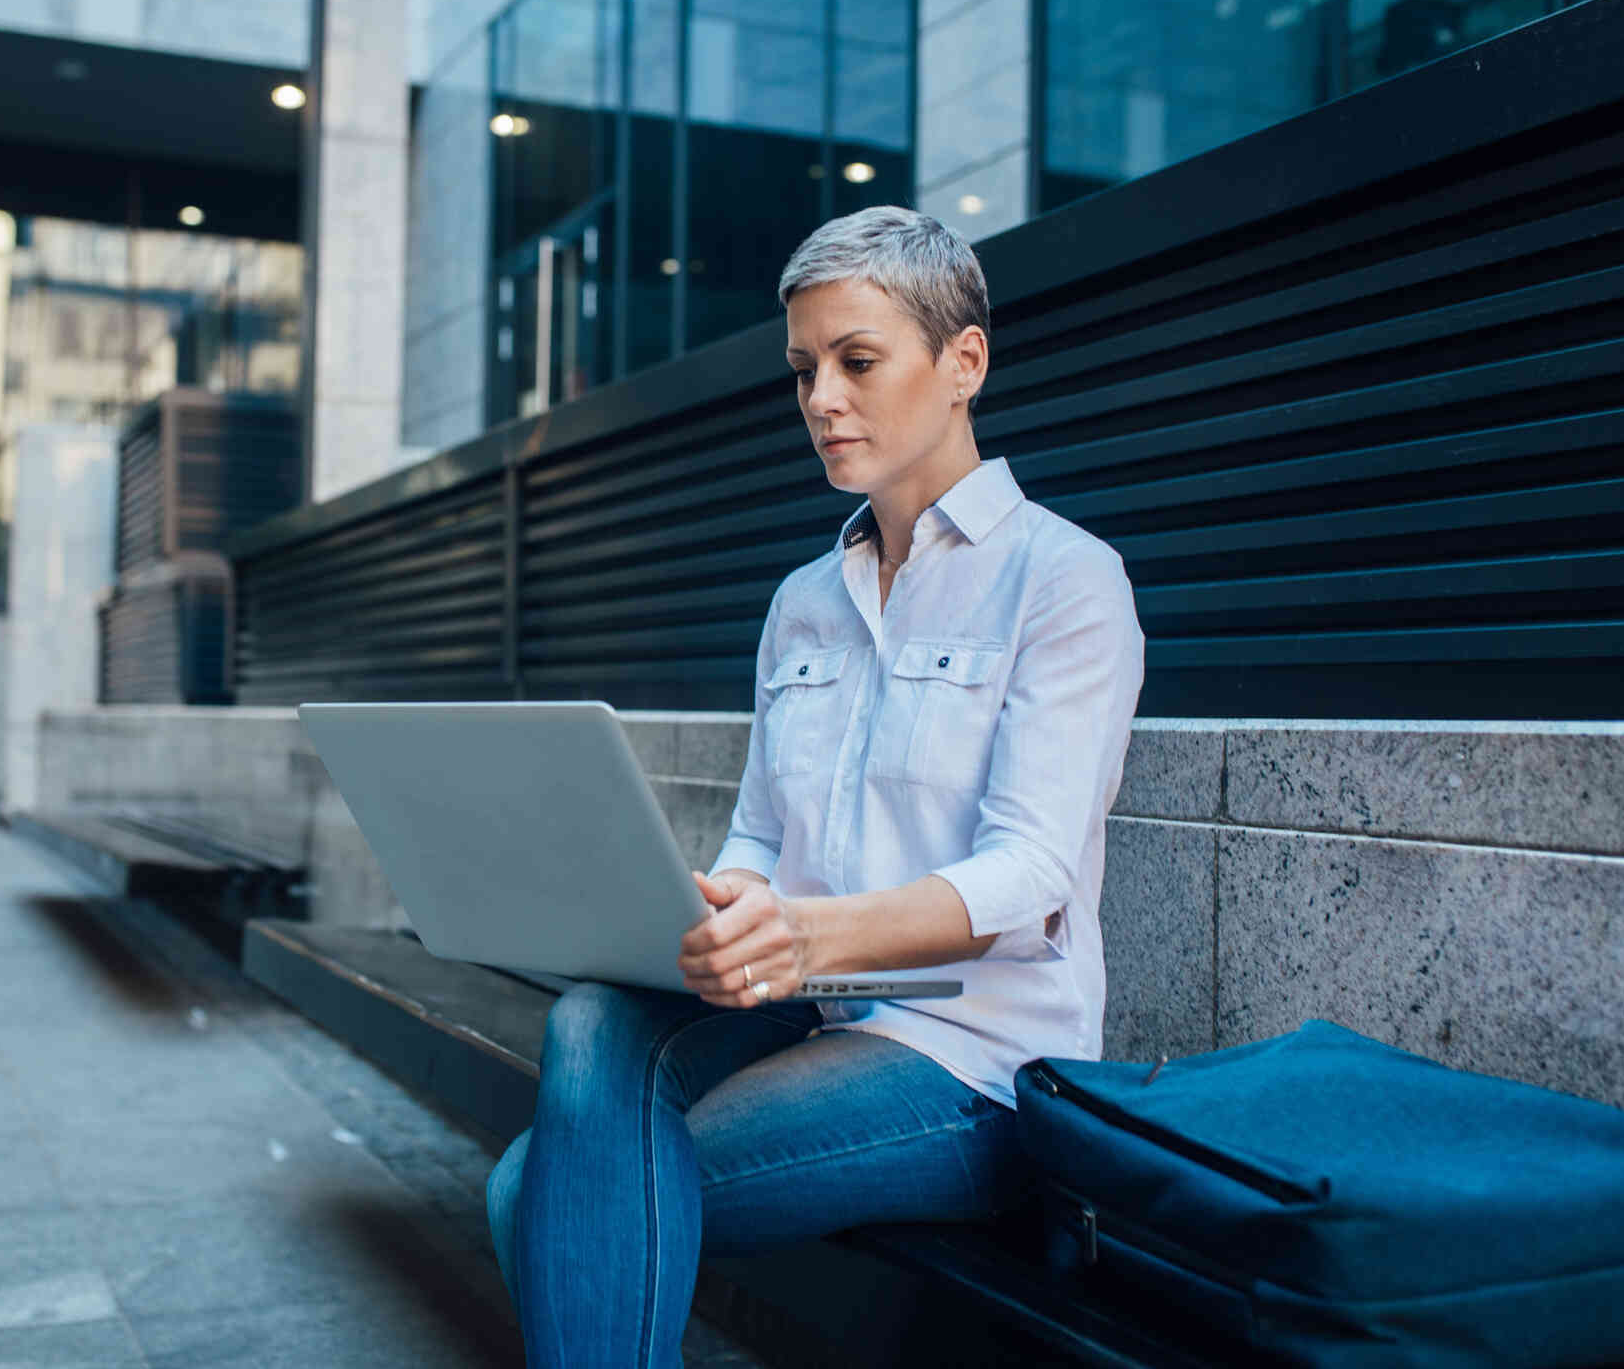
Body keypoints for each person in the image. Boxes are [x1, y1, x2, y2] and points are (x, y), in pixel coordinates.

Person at [485, 205, 1146, 1368]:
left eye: (856, 361)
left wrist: (804, 929)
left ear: (963, 363)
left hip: (977, 1061)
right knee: (587, 1023)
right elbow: (759, 828)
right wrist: (721, 909)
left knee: (544, 1192)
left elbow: (1034, 874)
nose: (821, 400)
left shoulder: (1066, 578)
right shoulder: (802, 598)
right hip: (811, 1008)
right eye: (803, 371)